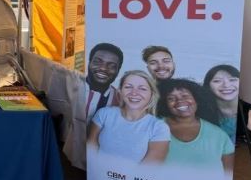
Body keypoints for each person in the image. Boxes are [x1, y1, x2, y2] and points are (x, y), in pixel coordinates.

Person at [88, 70, 170, 164]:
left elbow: (149, 171)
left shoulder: (159, 128)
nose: (134, 93)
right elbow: (91, 150)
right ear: (120, 91)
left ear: (151, 94)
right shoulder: (104, 114)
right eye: (128, 87)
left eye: (142, 88)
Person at [63, 42, 123, 170]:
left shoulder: (120, 100)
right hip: (68, 160)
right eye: (98, 62)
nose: (103, 68)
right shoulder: (72, 86)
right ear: (89, 62)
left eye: (112, 66)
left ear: (118, 71)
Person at [158, 78, 234, 172]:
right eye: (171, 98)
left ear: (196, 99)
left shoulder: (219, 134)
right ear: (165, 104)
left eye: (185, 96)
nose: (179, 101)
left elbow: (228, 174)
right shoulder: (154, 128)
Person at [203, 64, 240, 143]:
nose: (226, 85)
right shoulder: (201, 112)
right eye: (217, 81)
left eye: (232, 80)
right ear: (208, 86)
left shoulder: (250, 110)